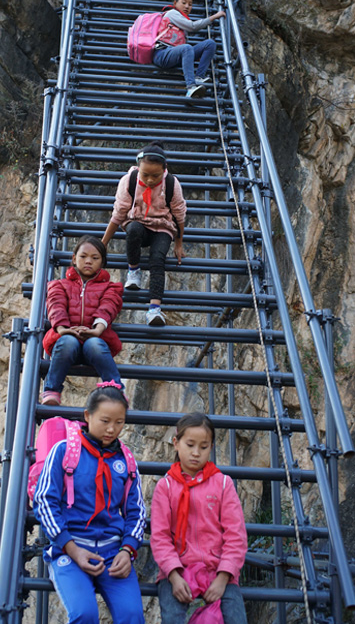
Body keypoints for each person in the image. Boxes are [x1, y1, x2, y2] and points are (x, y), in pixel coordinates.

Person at [34, 385, 147, 624]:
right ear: (88, 415)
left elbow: (136, 512)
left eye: (119, 422)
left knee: (132, 616)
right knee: (84, 615)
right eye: (105, 421)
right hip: (69, 549)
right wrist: (72, 548)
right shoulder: (64, 451)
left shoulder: (126, 460)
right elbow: (44, 501)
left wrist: (127, 550)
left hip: (113, 554)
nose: (111, 429)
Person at [151, 413, 248, 624]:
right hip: (177, 570)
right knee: (173, 618)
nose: (196, 453)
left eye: (203, 447)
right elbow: (160, 537)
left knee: (236, 618)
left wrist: (223, 576)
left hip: (218, 570)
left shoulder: (223, 484)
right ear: (176, 443)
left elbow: (236, 535)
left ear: (211, 447)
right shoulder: (165, 487)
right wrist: (174, 575)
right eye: (190, 445)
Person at [101, 141, 187, 327]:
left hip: (162, 227)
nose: (149, 180)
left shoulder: (171, 183)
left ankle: (154, 309)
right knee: (132, 230)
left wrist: (179, 243)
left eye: (155, 176)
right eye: (145, 174)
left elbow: (179, 215)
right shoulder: (129, 180)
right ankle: (133, 270)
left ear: (164, 169)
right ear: (138, 168)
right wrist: (103, 243)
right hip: (138, 223)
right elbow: (119, 213)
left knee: (158, 259)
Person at [41, 236, 124, 406]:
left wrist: (97, 330)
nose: (88, 261)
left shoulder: (110, 288)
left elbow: (108, 307)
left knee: (94, 344)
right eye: (83, 256)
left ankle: (116, 391)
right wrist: (62, 328)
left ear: (102, 262)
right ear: (74, 259)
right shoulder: (59, 285)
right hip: (66, 340)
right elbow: (56, 305)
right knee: (67, 342)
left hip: (94, 340)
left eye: (95, 258)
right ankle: (52, 390)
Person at [152, 0, 226, 98]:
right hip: (162, 54)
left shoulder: (181, 19)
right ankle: (191, 87)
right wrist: (215, 16)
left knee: (210, 44)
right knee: (187, 48)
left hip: (175, 56)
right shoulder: (172, 13)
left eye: (190, 4)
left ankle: (199, 77)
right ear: (175, 3)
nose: (187, 6)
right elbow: (192, 26)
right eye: (184, 2)